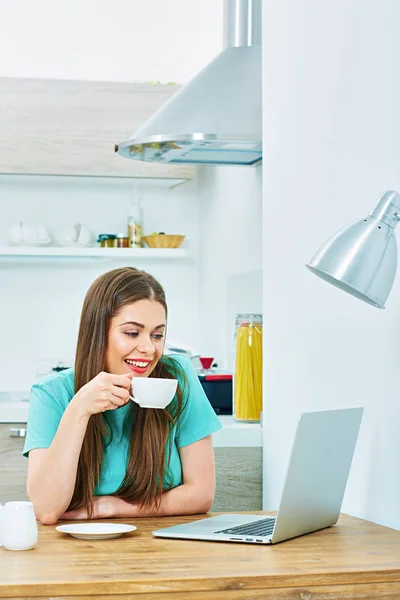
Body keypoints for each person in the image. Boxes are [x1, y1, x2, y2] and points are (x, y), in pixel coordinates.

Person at [23, 267, 222, 525]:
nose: (149, 349)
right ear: (97, 332)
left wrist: (112, 506)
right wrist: (79, 410)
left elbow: (201, 494)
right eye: (131, 333)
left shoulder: (179, 376)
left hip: (163, 549)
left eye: (157, 335)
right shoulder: (51, 393)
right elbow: (47, 510)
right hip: (77, 551)